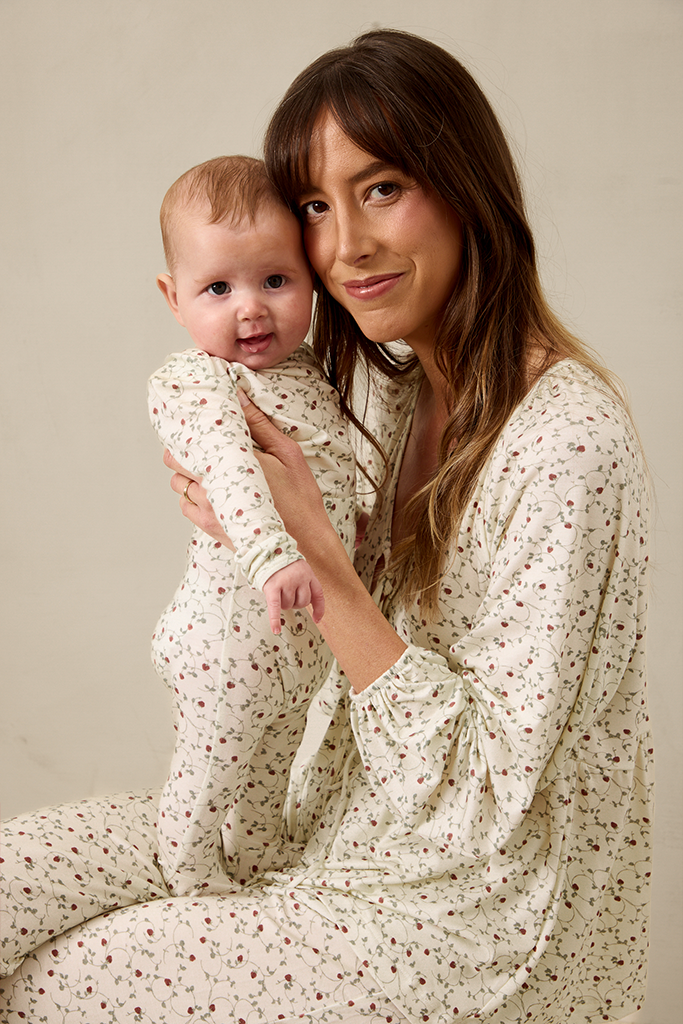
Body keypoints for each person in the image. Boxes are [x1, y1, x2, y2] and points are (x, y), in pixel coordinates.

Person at [0, 28, 652, 1024]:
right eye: (312, 205)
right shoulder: (384, 397)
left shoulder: (565, 442)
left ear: (464, 183)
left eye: (381, 186)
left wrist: (315, 553)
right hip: (328, 830)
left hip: (479, 922)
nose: (344, 243)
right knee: (14, 880)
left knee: (67, 980)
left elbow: (484, 803)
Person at [147, 155, 355, 894]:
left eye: (275, 280)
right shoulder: (195, 380)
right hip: (227, 636)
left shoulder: (309, 376)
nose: (251, 309)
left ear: (311, 280)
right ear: (175, 298)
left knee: (272, 764)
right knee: (214, 764)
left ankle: (261, 862)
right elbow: (232, 472)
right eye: (217, 288)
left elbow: (339, 480)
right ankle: (190, 873)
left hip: (295, 645)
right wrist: (272, 556)